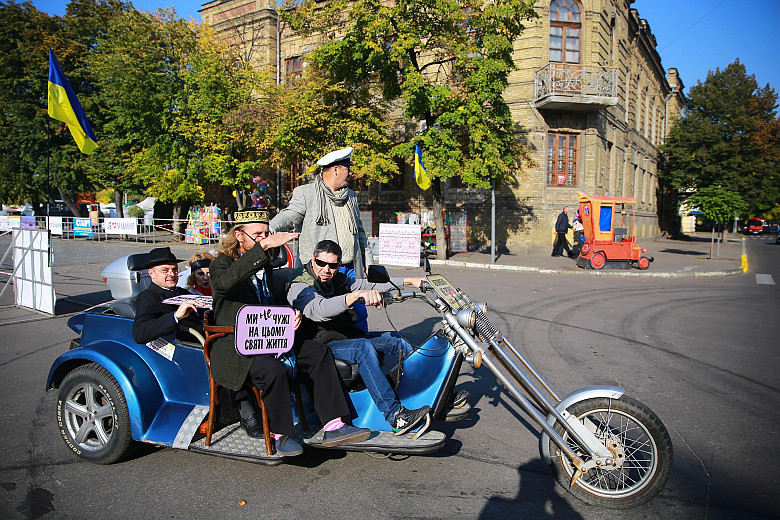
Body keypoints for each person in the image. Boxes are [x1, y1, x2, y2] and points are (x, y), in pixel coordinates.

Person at [209, 209, 369, 456]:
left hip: (270, 338)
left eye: (266, 233)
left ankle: (334, 425)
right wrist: (262, 249)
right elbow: (224, 283)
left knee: (318, 352)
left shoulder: (265, 264)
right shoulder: (222, 263)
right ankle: (281, 434)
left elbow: (267, 302)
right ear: (239, 236)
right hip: (236, 345)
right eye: (257, 235)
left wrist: (289, 312)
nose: (264, 238)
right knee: (272, 371)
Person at [286, 240, 431, 435]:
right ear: (313, 260)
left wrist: (410, 280)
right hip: (318, 345)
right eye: (321, 263)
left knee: (398, 341)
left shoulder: (337, 280)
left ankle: (422, 397)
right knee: (363, 347)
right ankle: (395, 416)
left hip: (342, 338)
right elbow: (318, 310)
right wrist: (353, 297)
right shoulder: (300, 284)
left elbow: (367, 284)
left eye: (333, 265)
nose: (326, 270)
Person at [269, 146, 371, 331]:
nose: (350, 174)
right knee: (324, 313)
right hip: (321, 268)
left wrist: (367, 260)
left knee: (359, 310)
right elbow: (290, 215)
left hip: (349, 267)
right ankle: (337, 348)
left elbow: (360, 231)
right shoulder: (307, 193)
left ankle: (361, 343)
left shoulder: (351, 196)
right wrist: (268, 230)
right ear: (336, 169)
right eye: (348, 169)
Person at [132, 247, 204, 345]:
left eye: (174, 270)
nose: (172, 274)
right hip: (188, 347)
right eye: (165, 270)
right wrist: (175, 316)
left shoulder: (183, 292)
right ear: (151, 273)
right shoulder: (148, 297)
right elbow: (139, 334)